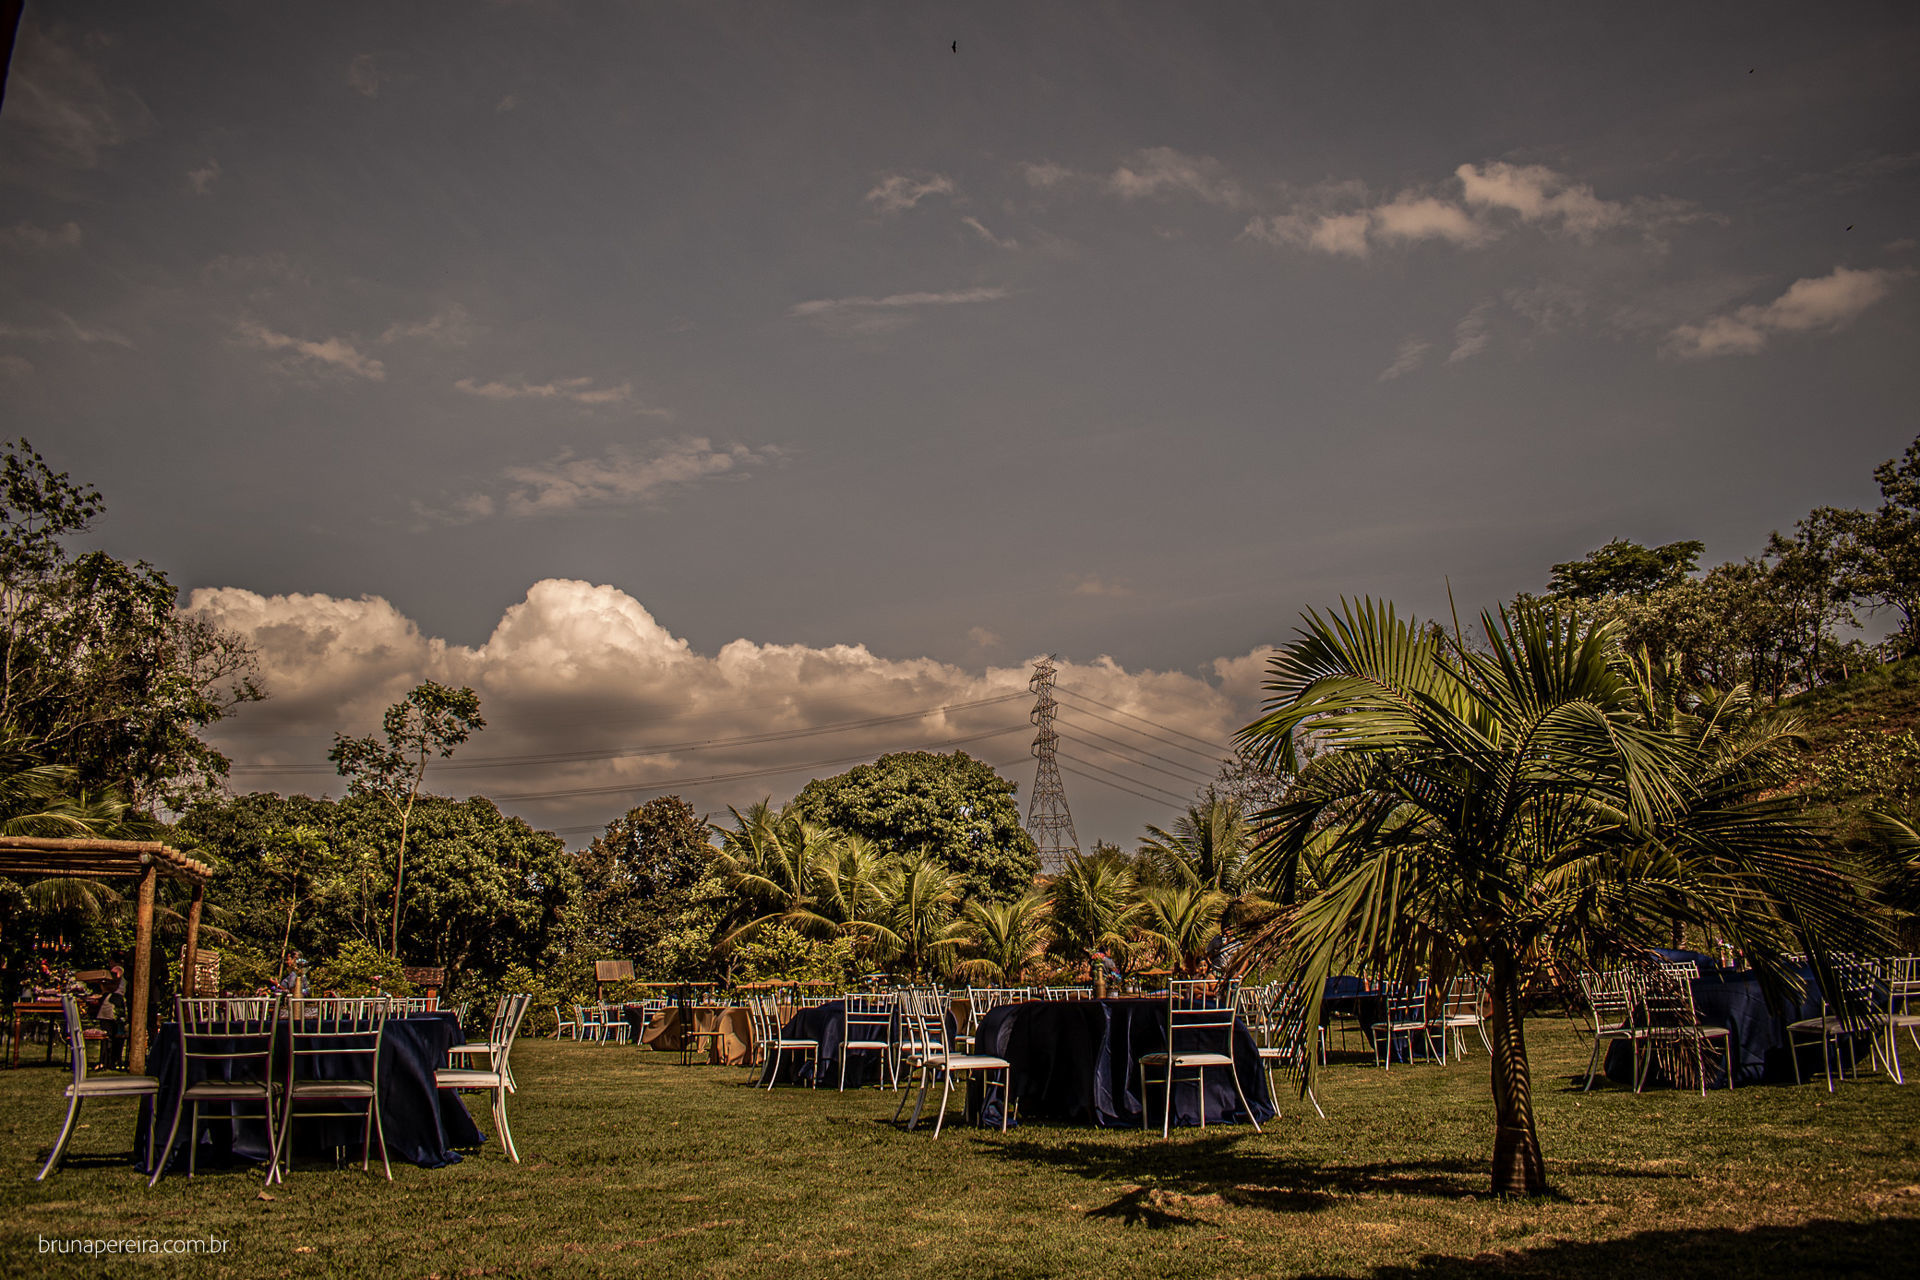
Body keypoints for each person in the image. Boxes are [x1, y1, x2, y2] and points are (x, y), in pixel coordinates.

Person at [96, 964, 127, 1070]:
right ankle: (110, 1060)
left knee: (111, 1034)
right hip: (115, 1004)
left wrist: (103, 985)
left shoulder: (117, 970)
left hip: (113, 1004)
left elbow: (114, 985)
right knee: (112, 1034)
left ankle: (109, 1060)